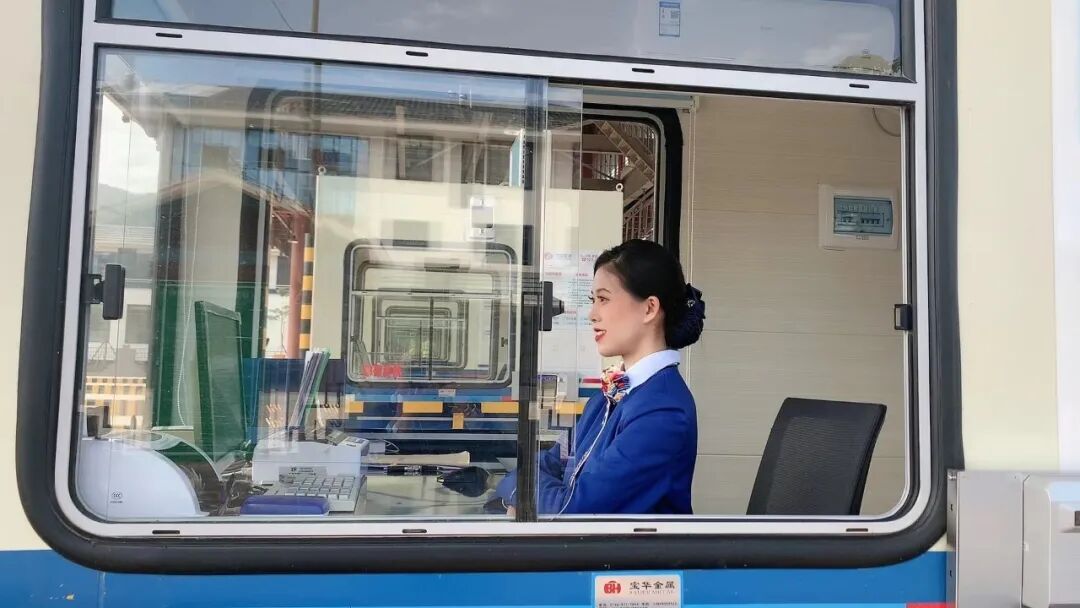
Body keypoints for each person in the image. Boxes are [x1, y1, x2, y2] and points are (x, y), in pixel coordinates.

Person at [495, 239, 704, 515]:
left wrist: (519, 495)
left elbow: (577, 510)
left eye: (603, 299)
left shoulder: (663, 410)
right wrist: (522, 490)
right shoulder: (606, 398)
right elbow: (548, 464)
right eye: (592, 301)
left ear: (649, 309)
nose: (592, 315)